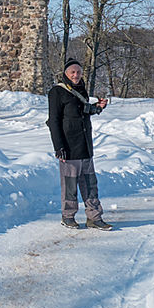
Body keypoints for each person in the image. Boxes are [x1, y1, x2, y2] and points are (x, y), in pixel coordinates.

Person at [46, 58, 112, 230]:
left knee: (90, 184)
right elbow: (53, 121)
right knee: (70, 185)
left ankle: (94, 217)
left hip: (85, 146)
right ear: (66, 74)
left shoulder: (81, 90)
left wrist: (97, 107)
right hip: (68, 147)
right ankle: (68, 216)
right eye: (72, 72)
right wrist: (58, 147)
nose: (76, 75)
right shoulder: (57, 92)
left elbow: (82, 110)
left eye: (79, 72)